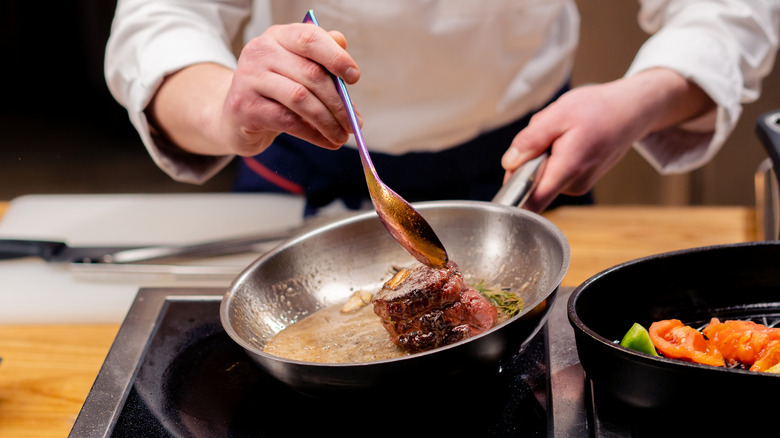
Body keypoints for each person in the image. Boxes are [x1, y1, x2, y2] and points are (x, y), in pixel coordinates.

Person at [105, 1, 779, 216]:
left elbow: (728, 9)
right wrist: (229, 110)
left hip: (529, 165)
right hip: (304, 170)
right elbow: (158, 22)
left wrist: (640, 98)